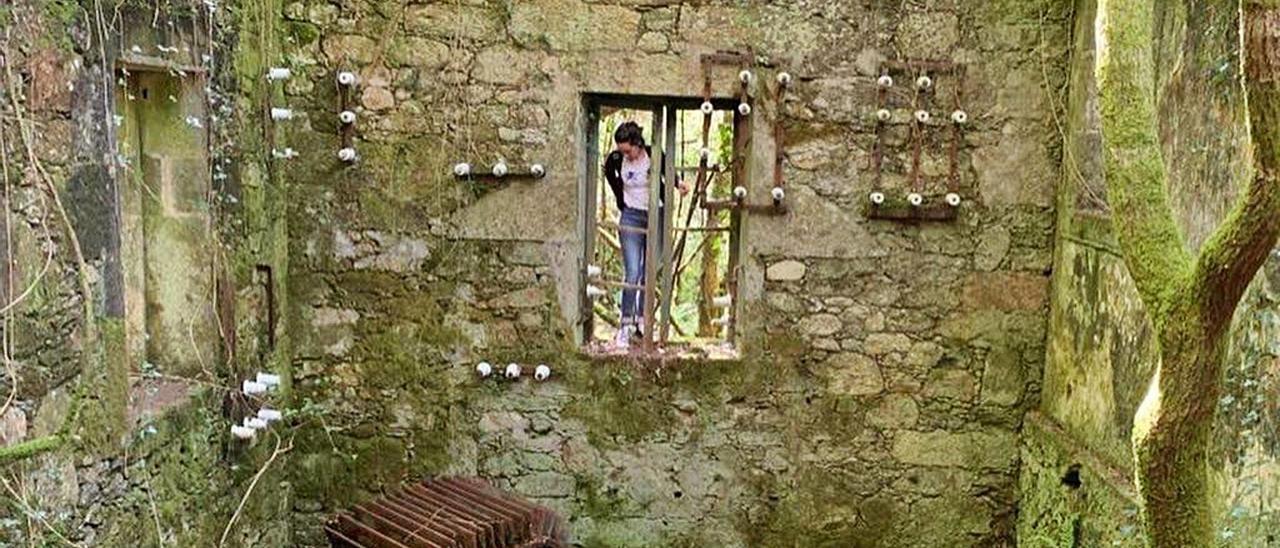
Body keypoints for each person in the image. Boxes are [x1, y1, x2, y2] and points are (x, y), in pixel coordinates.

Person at [603, 121, 687, 349]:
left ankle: (643, 320)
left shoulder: (652, 153)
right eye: (621, 151)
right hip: (630, 216)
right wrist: (621, 202)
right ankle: (625, 325)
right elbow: (610, 176)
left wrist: (679, 184)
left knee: (650, 270)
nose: (625, 155)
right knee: (632, 272)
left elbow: (668, 170)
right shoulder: (616, 160)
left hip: (655, 215)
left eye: (628, 150)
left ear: (637, 144)